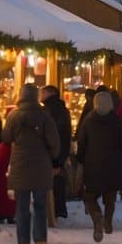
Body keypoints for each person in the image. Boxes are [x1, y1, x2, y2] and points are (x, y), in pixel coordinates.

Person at [3, 82, 60, 244]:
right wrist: (54, 158)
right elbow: (54, 141)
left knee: (22, 206)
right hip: (41, 164)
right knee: (40, 205)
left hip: (20, 164)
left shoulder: (13, 116)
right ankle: (41, 240)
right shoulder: (45, 116)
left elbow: (6, 138)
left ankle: (23, 243)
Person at [75, 89, 122, 243]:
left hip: (93, 165)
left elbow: (82, 142)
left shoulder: (89, 120)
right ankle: (108, 222)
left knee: (90, 197)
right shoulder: (117, 121)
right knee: (110, 196)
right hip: (113, 165)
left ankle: (97, 216)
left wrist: (80, 159)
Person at [40, 85, 74, 219]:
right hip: (61, 150)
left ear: (49, 94)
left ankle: (52, 211)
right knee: (59, 181)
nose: (40, 95)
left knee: (49, 182)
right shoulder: (63, 109)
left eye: (42, 93)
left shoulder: (47, 110)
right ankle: (60, 209)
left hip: (50, 150)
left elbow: (49, 133)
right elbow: (65, 133)